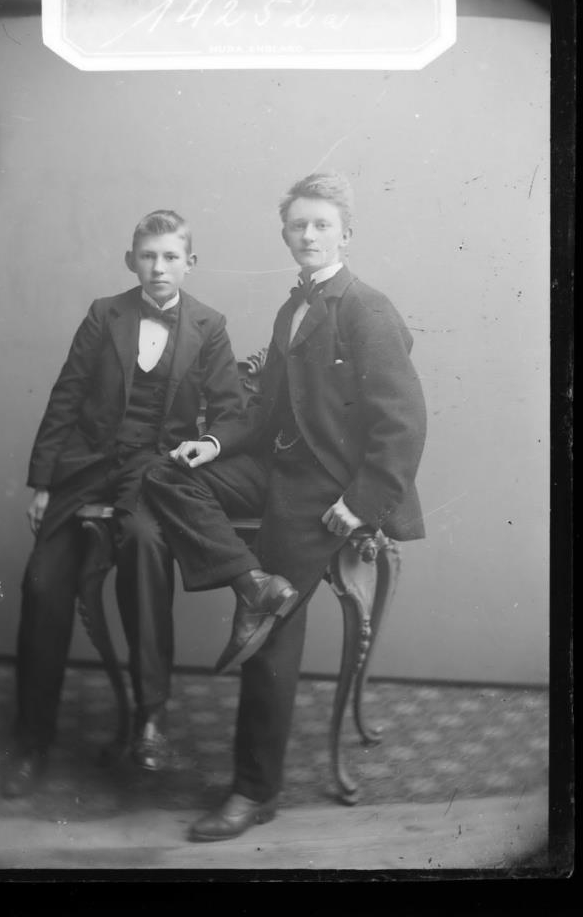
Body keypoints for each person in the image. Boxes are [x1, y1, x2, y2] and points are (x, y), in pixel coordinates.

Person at [145, 172, 427, 841]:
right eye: (298, 224)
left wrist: (361, 504)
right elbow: (263, 411)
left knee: (269, 638)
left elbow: (403, 422)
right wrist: (213, 444)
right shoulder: (290, 310)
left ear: (346, 234)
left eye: (321, 224)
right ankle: (252, 582)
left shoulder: (366, 309)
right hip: (275, 470)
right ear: (284, 233)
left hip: (326, 488)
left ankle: (254, 792)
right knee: (163, 474)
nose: (308, 234)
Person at [0, 209, 296, 798]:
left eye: (170, 257)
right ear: (130, 261)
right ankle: (31, 741)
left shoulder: (209, 325)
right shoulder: (103, 314)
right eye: (148, 256)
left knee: (144, 545)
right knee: (41, 582)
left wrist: (208, 445)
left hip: (153, 473)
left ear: (190, 263)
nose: (158, 268)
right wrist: (43, 483)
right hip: (86, 468)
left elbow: (232, 412)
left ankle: (150, 718)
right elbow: (66, 398)